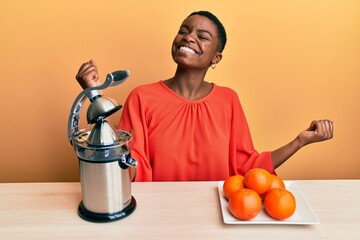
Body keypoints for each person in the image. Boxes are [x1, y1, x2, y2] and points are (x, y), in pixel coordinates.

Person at [75, 11, 333, 181]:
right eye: (184, 30)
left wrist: (299, 141)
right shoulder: (142, 98)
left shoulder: (228, 100)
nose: (188, 37)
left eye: (202, 36)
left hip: (218, 214)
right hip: (158, 216)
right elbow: (130, 166)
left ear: (216, 57)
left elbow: (248, 166)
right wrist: (94, 95)